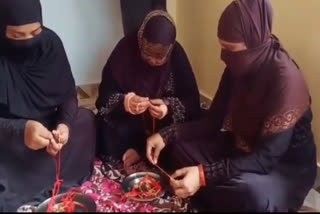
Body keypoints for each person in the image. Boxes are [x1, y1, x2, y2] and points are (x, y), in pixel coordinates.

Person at [146, 0, 316, 212]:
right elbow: (212, 122)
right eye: (222, 47)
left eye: (230, 49)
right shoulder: (239, 65)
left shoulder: (286, 81)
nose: (223, 56)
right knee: (178, 148)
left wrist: (203, 175)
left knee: (251, 194)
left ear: (254, 42)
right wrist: (166, 135)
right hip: (242, 150)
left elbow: (264, 160)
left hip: (282, 168)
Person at [0, 0, 96, 211]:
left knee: (84, 120)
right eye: (17, 36)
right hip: (10, 137)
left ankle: (46, 175)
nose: (28, 41)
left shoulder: (50, 43)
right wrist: (20, 131)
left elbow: (68, 95)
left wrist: (63, 126)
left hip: (48, 131)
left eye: (35, 33)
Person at [96, 10, 200, 167]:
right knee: (101, 125)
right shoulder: (125, 49)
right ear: (140, 41)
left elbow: (192, 101)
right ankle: (132, 150)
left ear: (170, 49)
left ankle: (145, 153)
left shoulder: (177, 55)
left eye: (160, 57)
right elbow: (105, 97)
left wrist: (167, 107)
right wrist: (126, 102)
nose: (153, 61)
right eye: (147, 54)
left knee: (190, 131)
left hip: (161, 127)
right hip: (128, 123)